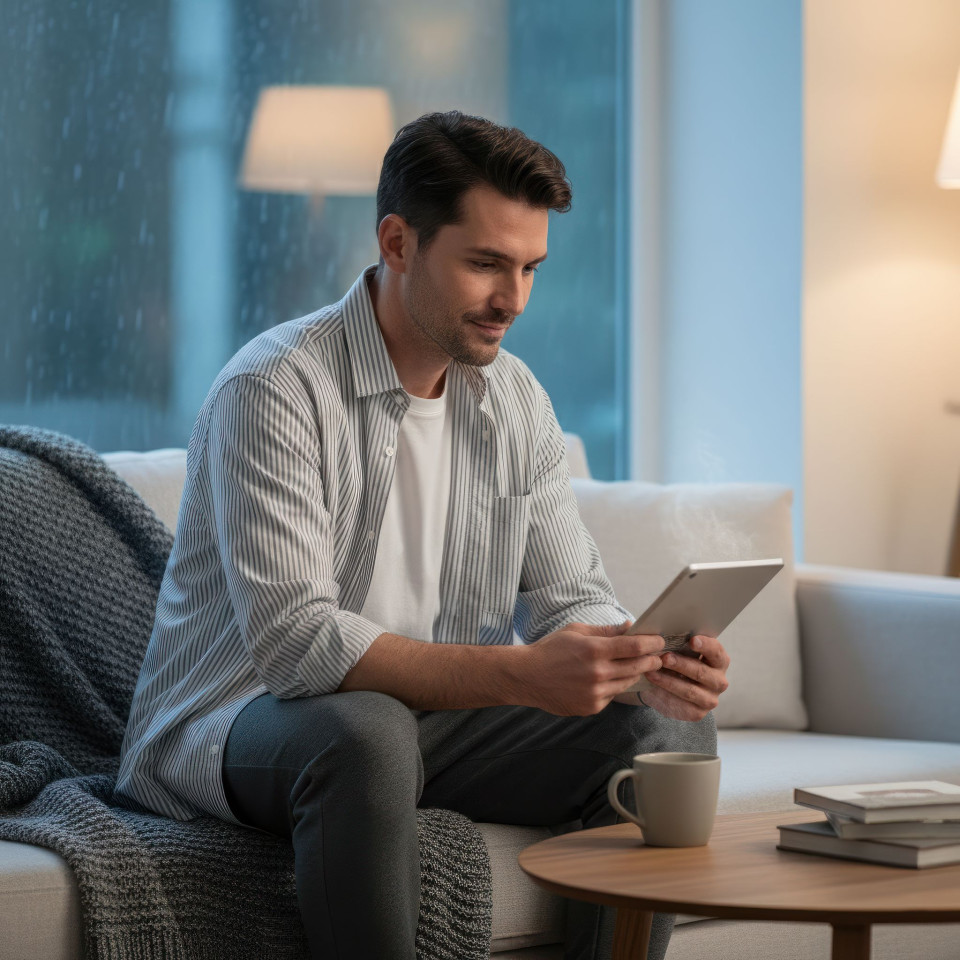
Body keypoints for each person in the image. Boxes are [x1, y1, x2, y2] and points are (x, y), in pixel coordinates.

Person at [116, 110, 730, 960]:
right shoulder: (274, 389)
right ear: (398, 243)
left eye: (529, 268)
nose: (513, 299)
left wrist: (632, 660)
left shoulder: (516, 400)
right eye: (485, 264)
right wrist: (524, 674)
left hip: (431, 725)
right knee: (367, 733)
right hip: (242, 723)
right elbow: (297, 646)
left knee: (668, 731)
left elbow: (570, 597)